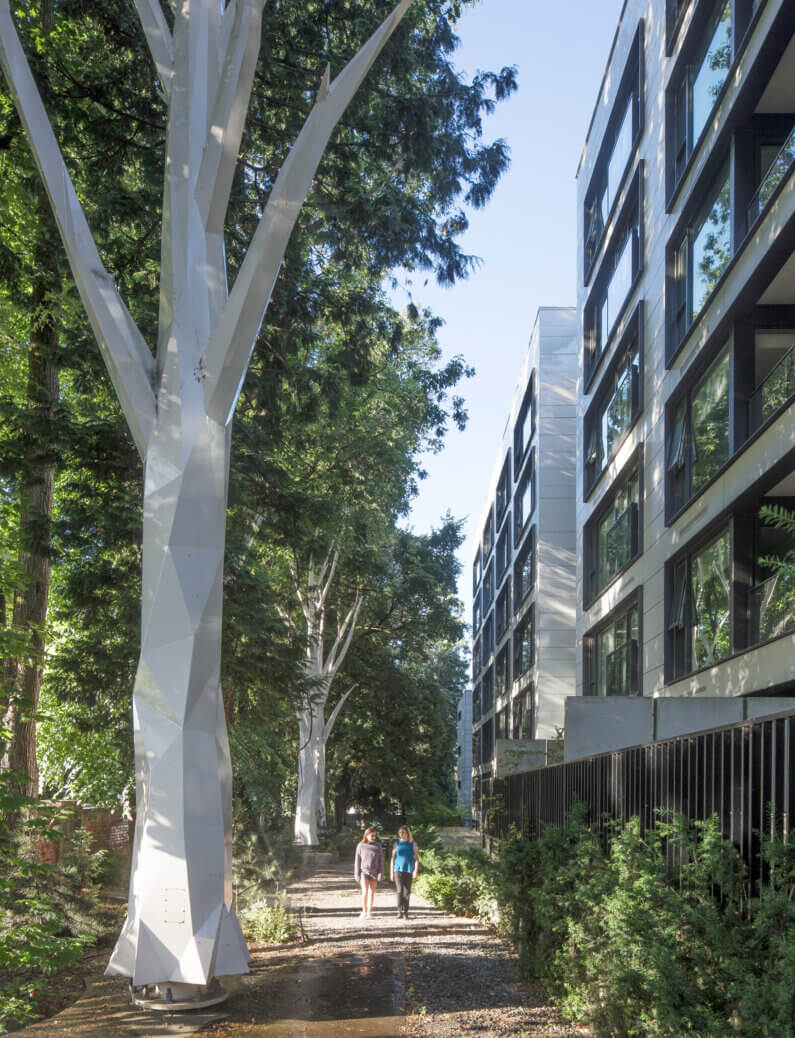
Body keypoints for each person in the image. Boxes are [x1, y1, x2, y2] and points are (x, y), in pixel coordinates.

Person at [390, 825, 419, 919]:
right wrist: (391, 872)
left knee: (407, 892)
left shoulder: (412, 844)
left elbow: (416, 859)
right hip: (398, 869)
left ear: (407, 833)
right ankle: (399, 911)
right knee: (399, 891)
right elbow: (392, 858)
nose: (401, 834)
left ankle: (406, 911)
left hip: (409, 870)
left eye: (403, 832)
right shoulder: (397, 843)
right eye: (400, 832)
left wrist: (415, 870)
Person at [354, 827, 383, 919]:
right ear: (366, 835)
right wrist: (357, 874)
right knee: (365, 892)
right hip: (364, 872)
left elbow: (381, 860)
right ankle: (364, 911)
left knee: (371, 893)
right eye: (372, 835)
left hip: (374, 872)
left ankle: (369, 912)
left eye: (374, 835)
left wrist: (380, 873)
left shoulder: (378, 846)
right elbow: (357, 861)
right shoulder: (361, 845)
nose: (373, 837)